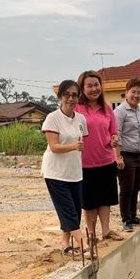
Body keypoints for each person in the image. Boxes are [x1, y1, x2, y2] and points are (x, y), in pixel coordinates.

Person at [41, 80, 90, 257]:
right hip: (55, 173)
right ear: (60, 96)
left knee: (75, 210)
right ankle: (83, 245)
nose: (71, 98)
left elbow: (82, 140)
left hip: (74, 172)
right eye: (67, 95)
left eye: (74, 95)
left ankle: (65, 245)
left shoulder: (81, 119)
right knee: (67, 210)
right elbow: (53, 146)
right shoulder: (52, 118)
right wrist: (72, 147)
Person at [75, 70, 123, 242]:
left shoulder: (107, 108)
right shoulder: (77, 109)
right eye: (89, 85)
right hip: (84, 163)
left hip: (106, 160)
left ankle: (106, 230)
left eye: (96, 85)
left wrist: (114, 139)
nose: (94, 89)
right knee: (89, 201)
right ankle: (91, 234)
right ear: (82, 88)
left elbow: (113, 132)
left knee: (105, 198)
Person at [114, 78, 140, 232]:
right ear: (126, 93)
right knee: (126, 188)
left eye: (139, 92)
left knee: (136, 187)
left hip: (138, 154)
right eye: (133, 92)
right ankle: (126, 219)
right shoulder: (120, 112)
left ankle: (133, 215)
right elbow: (116, 135)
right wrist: (118, 157)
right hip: (126, 155)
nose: (136, 95)